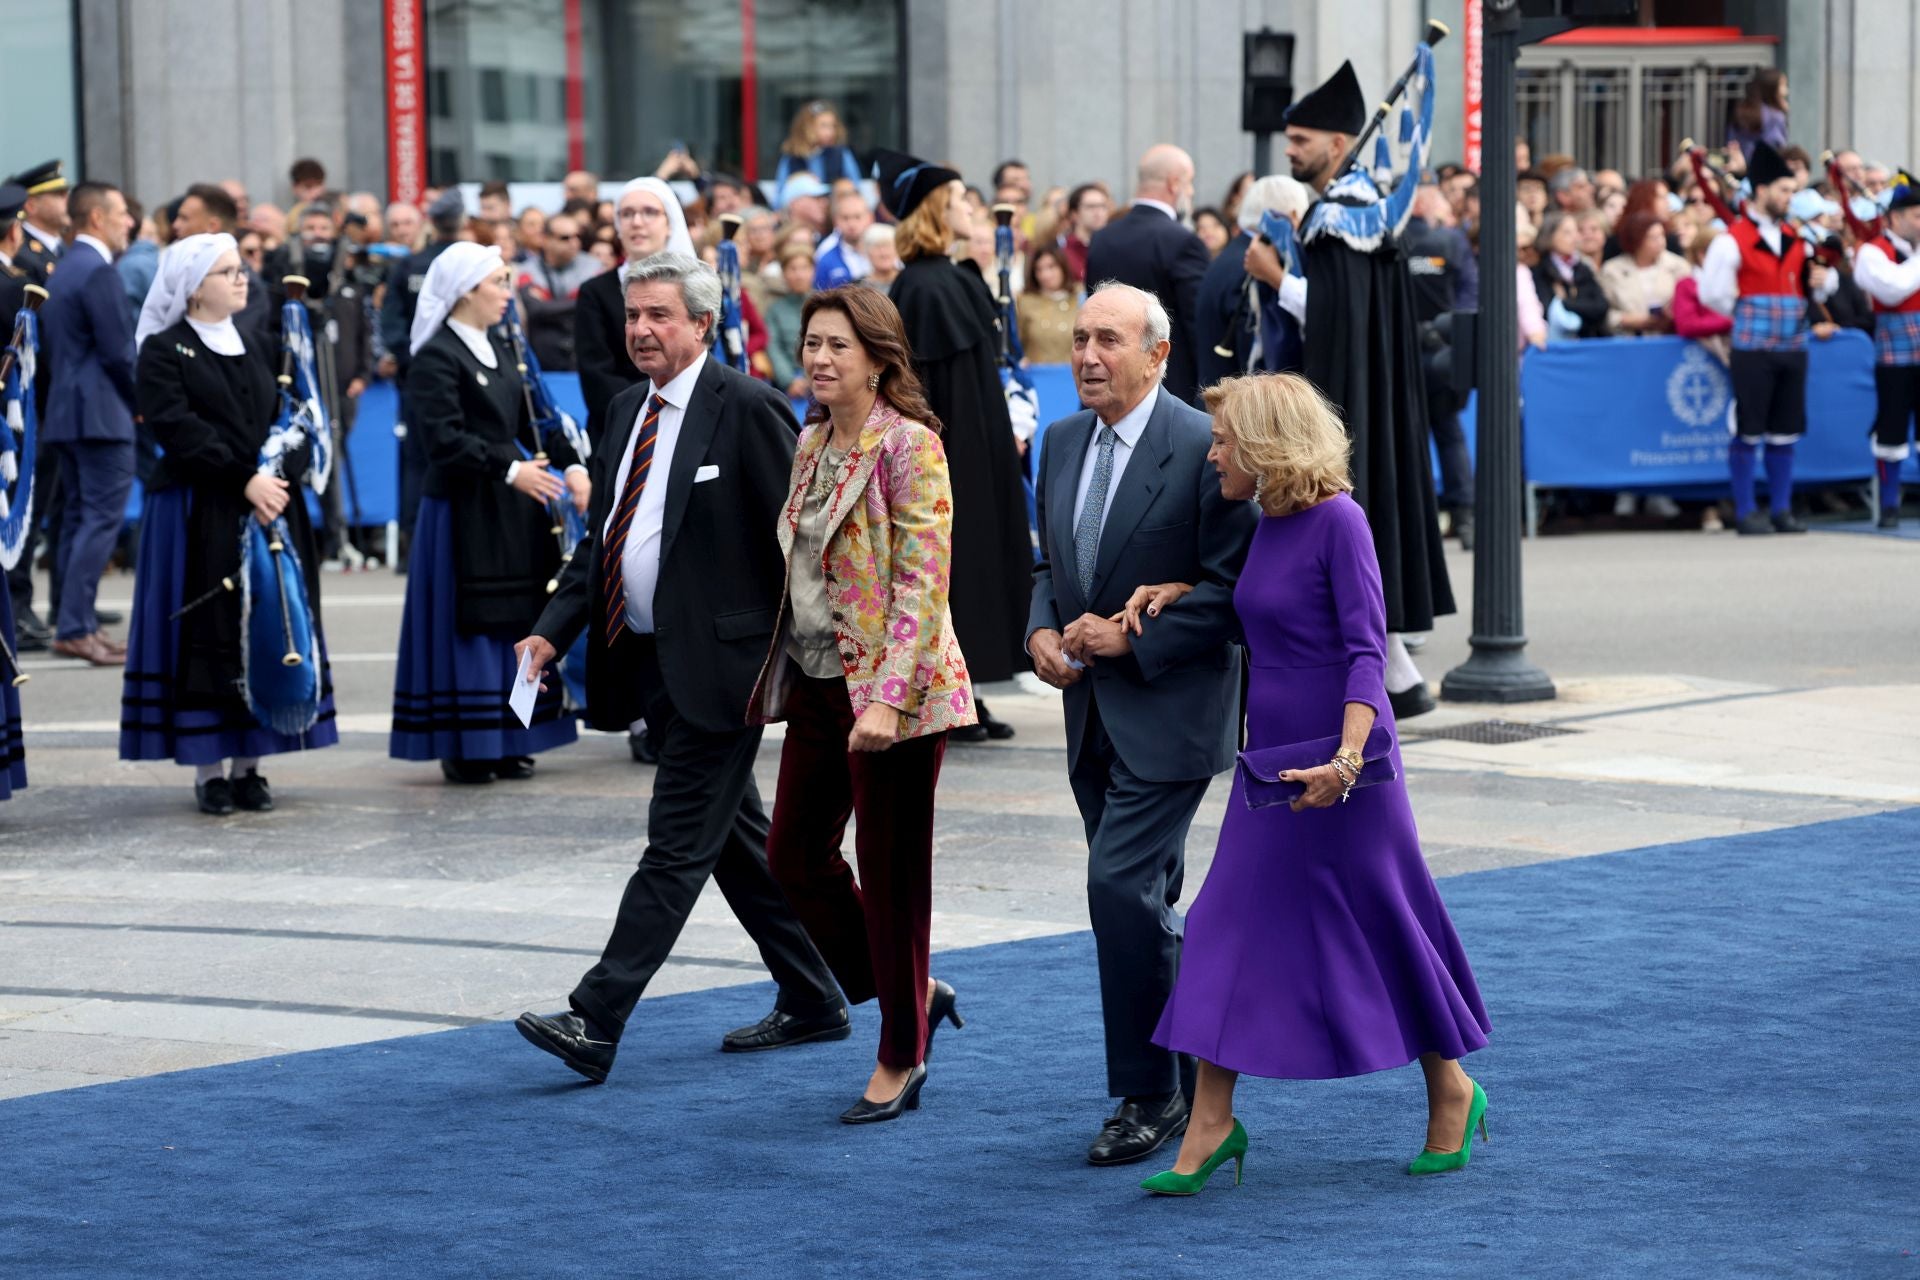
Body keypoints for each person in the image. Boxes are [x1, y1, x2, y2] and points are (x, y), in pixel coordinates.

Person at [1138, 372, 1490, 1196]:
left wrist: (1345, 763)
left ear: (1265, 444)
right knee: (1226, 921)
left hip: (1349, 766)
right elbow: (1265, 612)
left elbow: (1367, 651)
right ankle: (1212, 1122)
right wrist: (1184, 592)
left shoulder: (1340, 520)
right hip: (1273, 761)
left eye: (1224, 440)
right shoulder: (1266, 519)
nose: (1212, 452)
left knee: (1385, 923)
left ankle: (1451, 1089)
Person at [511, 252, 844, 1083]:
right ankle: (816, 991)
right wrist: (553, 630)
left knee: (674, 845)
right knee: (733, 840)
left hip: (726, 670)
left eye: (660, 315)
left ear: (703, 323)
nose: (642, 331)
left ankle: (597, 1016)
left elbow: (798, 542)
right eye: (633, 317)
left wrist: (807, 665)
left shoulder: (749, 407)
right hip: (651, 661)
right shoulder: (626, 409)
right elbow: (607, 541)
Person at [1027, 282, 1258, 1166]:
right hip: (1088, 716)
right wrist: (1042, 628)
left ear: (1159, 355)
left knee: (1117, 890)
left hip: (1173, 714)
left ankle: (1149, 1094)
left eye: (1109, 341)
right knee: (1144, 904)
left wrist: (1131, 636)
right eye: (1080, 337)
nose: (1087, 355)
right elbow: (1052, 562)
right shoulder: (1057, 441)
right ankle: (1200, 1061)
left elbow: (1235, 594)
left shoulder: (1207, 445)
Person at [750, 285, 975, 1122]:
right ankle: (908, 989)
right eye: (811, 343)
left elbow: (924, 580)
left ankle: (901, 1053)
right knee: (794, 856)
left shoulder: (909, 445)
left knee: (890, 876)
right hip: (817, 684)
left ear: (879, 359)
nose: (818, 358)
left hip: (899, 698)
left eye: (838, 346)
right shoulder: (811, 442)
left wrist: (885, 700)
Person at [121, 232, 339, 813]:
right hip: (202, 506)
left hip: (267, 501)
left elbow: (294, 418)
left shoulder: (262, 343)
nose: (241, 279)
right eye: (227, 272)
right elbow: (176, 427)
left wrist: (278, 470)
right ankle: (208, 771)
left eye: (241, 269)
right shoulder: (165, 350)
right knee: (209, 630)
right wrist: (244, 476)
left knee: (269, 621)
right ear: (194, 289)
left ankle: (251, 766)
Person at [1277, 58, 1454, 718]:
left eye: (1301, 141)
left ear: (1338, 145)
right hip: (1363, 394)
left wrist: (1277, 279)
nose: (1291, 151)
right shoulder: (1354, 209)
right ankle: (1397, 675)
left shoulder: (1343, 214)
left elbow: (1335, 316)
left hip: (1347, 396)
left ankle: (1391, 674)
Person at [387, 242, 586, 781]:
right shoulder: (435, 356)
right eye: (498, 282)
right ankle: (466, 741)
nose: (507, 292)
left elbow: (535, 422)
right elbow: (443, 440)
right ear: (465, 291)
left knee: (514, 616)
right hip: (461, 506)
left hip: (508, 505)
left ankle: (507, 735)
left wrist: (571, 465)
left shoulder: (503, 348)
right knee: (470, 625)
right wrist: (509, 467)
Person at [878, 150, 1033, 740]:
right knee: (951, 571)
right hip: (951, 455)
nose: (973, 208)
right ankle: (943, 698)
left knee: (974, 569)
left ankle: (963, 692)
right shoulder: (926, 285)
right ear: (938, 210)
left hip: (977, 448)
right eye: (962, 199)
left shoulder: (953, 277)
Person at [1699, 141, 1837, 536]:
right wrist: (1750, 311)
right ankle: (1745, 510)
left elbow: (1816, 289)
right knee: (1749, 425)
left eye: (1792, 191)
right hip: (1753, 347)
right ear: (1760, 190)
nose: (1790, 197)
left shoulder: (1798, 238)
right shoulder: (1732, 239)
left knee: (1786, 426)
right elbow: (1714, 293)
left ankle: (1781, 508)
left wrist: (1822, 283)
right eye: (1784, 190)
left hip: (1793, 345)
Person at [41, 181, 137, 667]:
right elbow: (119, 351)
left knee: (79, 519)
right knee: (98, 520)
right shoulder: (97, 271)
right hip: (101, 414)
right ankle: (77, 626)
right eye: (121, 213)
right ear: (97, 218)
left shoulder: (65, 267)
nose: (130, 222)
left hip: (68, 411)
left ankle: (76, 622)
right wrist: (144, 403)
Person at [1084, 145, 1211, 407]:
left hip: (1106, 386)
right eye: (1190, 183)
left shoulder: (1102, 239)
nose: (1192, 192)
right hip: (1168, 393)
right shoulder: (1183, 242)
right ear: (1174, 183)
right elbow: (1196, 324)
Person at [575, 177, 694, 451]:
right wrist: (656, 410)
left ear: (670, 223)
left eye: (649, 212)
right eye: (626, 214)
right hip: (619, 431)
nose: (637, 222)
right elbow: (597, 377)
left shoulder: (696, 287)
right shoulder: (596, 291)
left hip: (687, 427)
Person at [380, 189, 465, 558]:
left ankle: (414, 541)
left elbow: (392, 323)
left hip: (418, 377)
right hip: (461, 376)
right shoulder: (468, 263)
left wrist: (411, 359)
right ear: (461, 221)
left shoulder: (411, 265)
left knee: (416, 459)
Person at [1403, 184, 1479, 549]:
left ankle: (1417, 520)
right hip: (1445, 352)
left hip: (1404, 353)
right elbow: (1469, 294)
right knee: (1449, 434)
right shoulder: (1452, 242)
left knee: (1407, 438)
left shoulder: (1396, 240)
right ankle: (1464, 517)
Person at [1853, 170, 1920, 528]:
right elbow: (1893, 289)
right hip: (1894, 350)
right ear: (1895, 217)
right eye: (1918, 215)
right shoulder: (1871, 252)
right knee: (1891, 427)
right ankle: (1890, 503)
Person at [173, 184, 272, 337]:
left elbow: (232, 343)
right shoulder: (174, 267)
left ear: (212, 226)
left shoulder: (248, 286)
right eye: (228, 272)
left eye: (184, 218)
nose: (176, 225)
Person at [514, 210, 600, 372]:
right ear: (545, 239)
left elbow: (594, 304)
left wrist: (549, 305)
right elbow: (535, 309)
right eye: (565, 238)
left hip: (583, 358)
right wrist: (579, 301)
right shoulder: (527, 270)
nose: (574, 243)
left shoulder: (593, 266)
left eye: (577, 236)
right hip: (543, 361)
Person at [1600, 210, 1690, 334]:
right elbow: (1604, 311)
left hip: (1669, 337)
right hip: (1628, 340)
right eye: (1653, 238)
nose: (1660, 242)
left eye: (1662, 235)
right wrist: (1627, 320)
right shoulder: (1612, 270)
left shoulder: (1678, 266)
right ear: (1637, 240)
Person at [1532, 212, 1611, 339]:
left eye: (1575, 232)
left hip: (1587, 341)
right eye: (1567, 233)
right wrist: (1582, 307)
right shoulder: (1539, 271)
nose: (1575, 238)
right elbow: (1545, 310)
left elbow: (1601, 306)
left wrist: (1565, 303)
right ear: (1550, 236)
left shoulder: (1582, 269)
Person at [775, 100, 864, 190]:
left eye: (833, 126)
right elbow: (781, 195)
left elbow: (855, 189)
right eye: (823, 126)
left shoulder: (841, 154)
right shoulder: (792, 157)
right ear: (806, 127)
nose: (830, 132)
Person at [765, 244, 814, 400]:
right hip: (790, 384)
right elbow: (773, 347)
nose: (799, 275)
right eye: (793, 269)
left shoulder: (825, 305)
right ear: (784, 273)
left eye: (804, 268)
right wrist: (789, 380)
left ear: (813, 270)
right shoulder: (775, 310)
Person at [6, 160, 67, 287]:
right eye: (59, 194)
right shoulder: (19, 252)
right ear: (31, 205)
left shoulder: (66, 248)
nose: (67, 200)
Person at [1016, 245, 1078, 365]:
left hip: (1071, 375)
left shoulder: (1079, 299)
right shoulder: (1025, 302)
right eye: (1039, 269)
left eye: (1051, 267)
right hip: (1037, 374)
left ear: (1062, 267)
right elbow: (1017, 342)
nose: (1045, 275)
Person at [812, 189, 873, 290]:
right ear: (835, 220)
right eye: (845, 218)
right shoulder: (824, 255)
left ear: (869, 217)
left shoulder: (885, 247)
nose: (851, 224)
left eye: (857, 217)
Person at [1727, 69, 1790, 163]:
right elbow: (1777, 148)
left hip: (1740, 168)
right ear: (1771, 88)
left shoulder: (1741, 112)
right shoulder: (1775, 117)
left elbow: (1731, 142)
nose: (1786, 91)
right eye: (1783, 85)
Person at [1060, 183, 1112, 284]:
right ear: (1074, 214)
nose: (1098, 212)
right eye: (1091, 207)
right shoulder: (1061, 249)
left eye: (1103, 206)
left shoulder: (1114, 248)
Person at [859, 223, 901, 291]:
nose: (883, 253)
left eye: (887, 246)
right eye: (877, 247)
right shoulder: (858, 287)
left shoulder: (909, 281)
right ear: (866, 252)